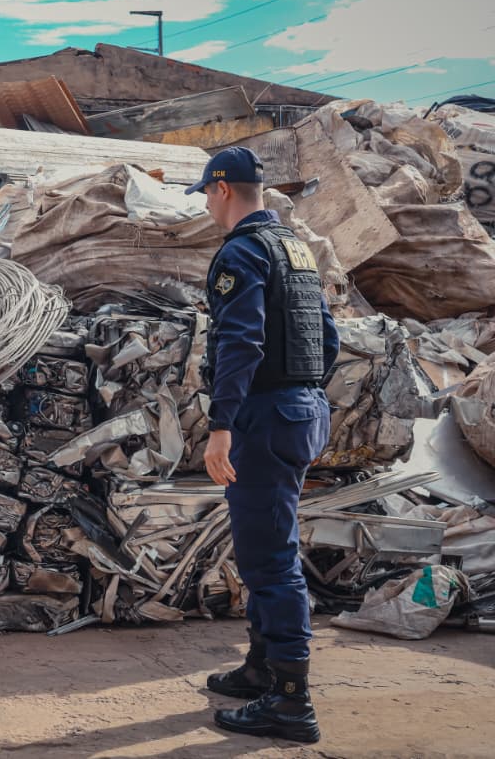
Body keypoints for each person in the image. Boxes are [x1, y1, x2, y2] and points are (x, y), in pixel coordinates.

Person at [184, 147, 340, 744]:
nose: (206, 203)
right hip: (301, 409)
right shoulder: (294, 249)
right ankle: (260, 669)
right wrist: (301, 397)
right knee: (264, 546)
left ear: (223, 190)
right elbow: (326, 338)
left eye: (206, 193)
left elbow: (241, 341)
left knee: (270, 560)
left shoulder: (242, 251)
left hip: (264, 418)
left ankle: (291, 702)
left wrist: (222, 424)